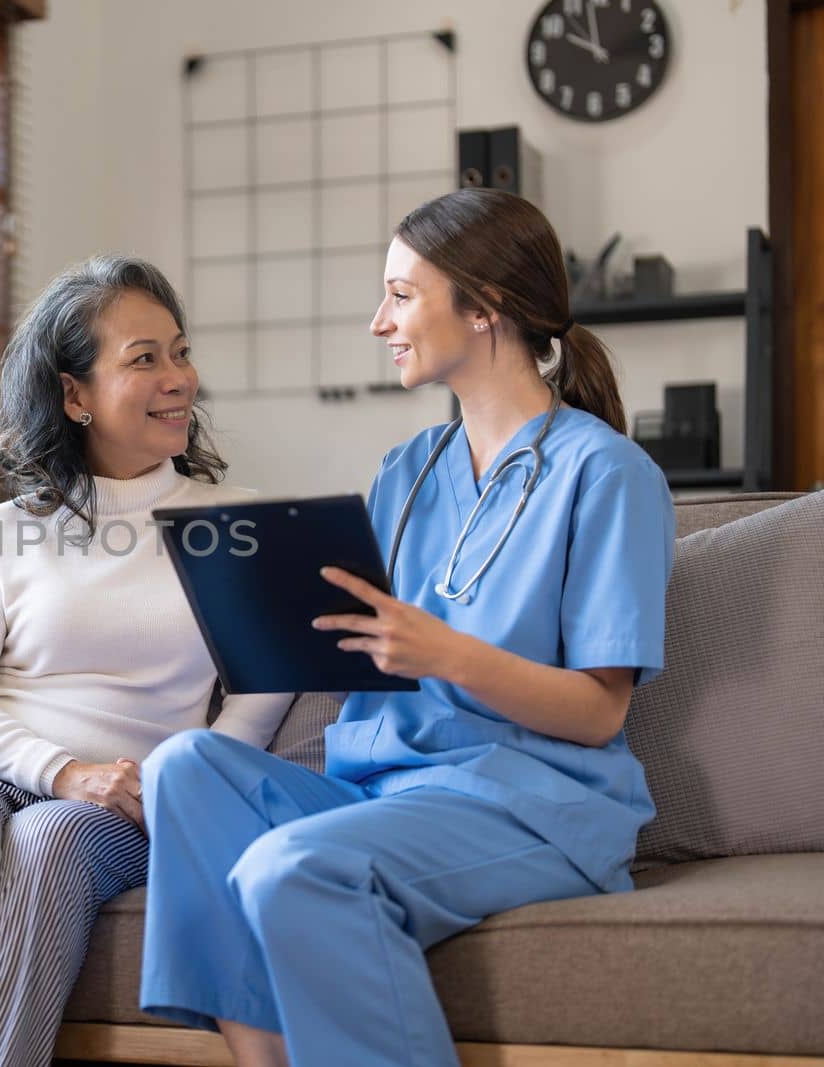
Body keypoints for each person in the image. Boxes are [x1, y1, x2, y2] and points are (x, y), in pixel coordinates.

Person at [138, 188, 676, 1067]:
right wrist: (266, 615)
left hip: (531, 804)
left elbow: (599, 713)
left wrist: (444, 652)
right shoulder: (405, 471)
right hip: (380, 792)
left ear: (484, 307)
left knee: (294, 867)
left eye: (401, 293)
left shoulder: (607, 474)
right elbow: (362, 648)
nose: (378, 320)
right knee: (184, 767)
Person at [0, 255, 292, 1067]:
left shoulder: (233, 525)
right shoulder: (4, 528)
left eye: (180, 351)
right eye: (143, 358)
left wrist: (168, 785)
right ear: (74, 395)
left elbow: (260, 693)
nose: (178, 377)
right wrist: (60, 768)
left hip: (124, 797)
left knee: (50, 840)